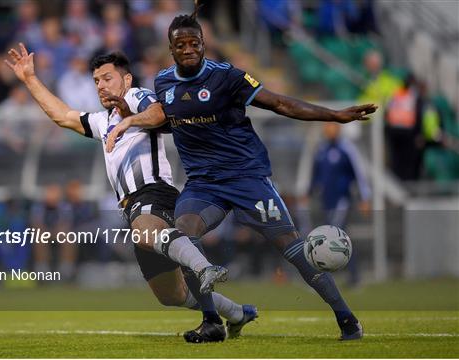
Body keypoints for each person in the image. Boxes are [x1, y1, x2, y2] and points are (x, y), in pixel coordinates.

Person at [106, 7, 377, 341]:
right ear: (171, 48)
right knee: (184, 235)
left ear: (204, 44)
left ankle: (347, 319)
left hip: (247, 179)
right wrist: (128, 119)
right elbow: (165, 119)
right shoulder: (163, 82)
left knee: (293, 250)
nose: (189, 49)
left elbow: (279, 103)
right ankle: (212, 322)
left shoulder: (228, 76)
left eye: (195, 43)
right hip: (204, 185)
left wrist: (334, 115)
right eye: (182, 45)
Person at [5, 44, 255, 342]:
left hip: (154, 192)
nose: (101, 85)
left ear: (126, 80)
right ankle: (237, 313)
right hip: (132, 206)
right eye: (96, 80)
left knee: (146, 233)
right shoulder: (103, 120)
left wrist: (130, 118)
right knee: (172, 295)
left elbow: (159, 112)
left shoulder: (136, 97)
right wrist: (30, 79)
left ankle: (204, 268)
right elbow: (64, 116)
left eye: (107, 78)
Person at [303, 122, 371, 286]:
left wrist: (365, 198)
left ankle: (343, 277)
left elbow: (359, 174)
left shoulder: (347, 149)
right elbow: (315, 175)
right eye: (326, 125)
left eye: (332, 125)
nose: (329, 128)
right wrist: (308, 193)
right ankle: (347, 277)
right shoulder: (321, 149)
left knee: (335, 236)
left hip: (342, 200)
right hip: (326, 201)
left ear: (339, 128)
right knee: (338, 238)